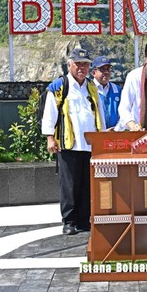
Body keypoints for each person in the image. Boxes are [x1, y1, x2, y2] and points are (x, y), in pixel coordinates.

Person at [41, 48, 105, 236]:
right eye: (78, 64)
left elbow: (99, 113)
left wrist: (101, 139)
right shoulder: (59, 87)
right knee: (69, 185)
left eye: (85, 64)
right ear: (69, 65)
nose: (82, 68)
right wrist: (50, 138)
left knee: (87, 184)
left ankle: (84, 220)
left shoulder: (92, 87)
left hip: (89, 145)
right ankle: (69, 221)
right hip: (67, 144)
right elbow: (50, 114)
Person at [91, 56, 122, 131]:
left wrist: (116, 129)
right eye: (102, 69)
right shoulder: (89, 89)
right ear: (94, 72)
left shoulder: (117, 90)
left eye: (108, 69)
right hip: (96, 135)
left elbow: (124, 112)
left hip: (115, 134)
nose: (106, 72)